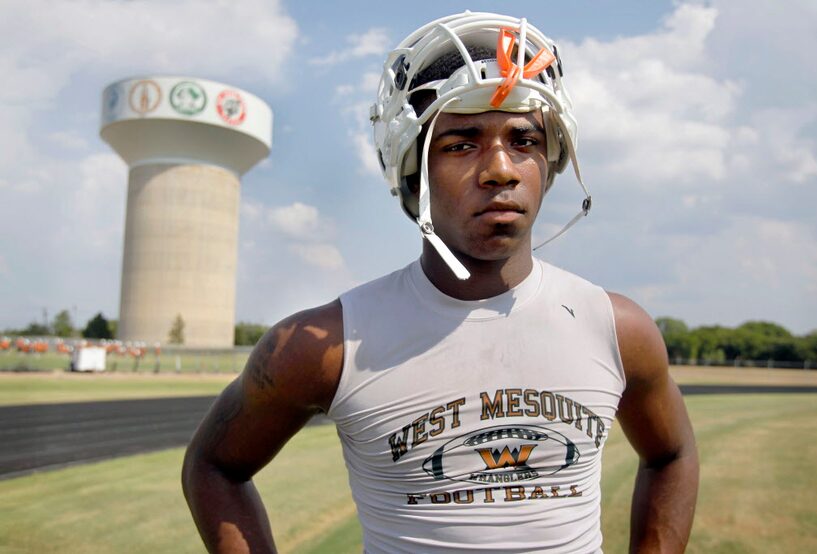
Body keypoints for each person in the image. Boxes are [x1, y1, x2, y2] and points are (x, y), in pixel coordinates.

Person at [182, 11, 698, 553]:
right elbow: (215, 466)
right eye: (461, 143)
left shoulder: (617, 329)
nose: (501, 168)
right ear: (413, 171)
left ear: (550, 160)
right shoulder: (327, 345)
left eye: (523, 139)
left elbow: (672, 454)